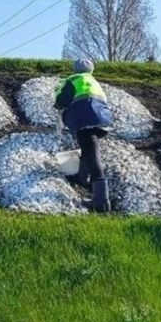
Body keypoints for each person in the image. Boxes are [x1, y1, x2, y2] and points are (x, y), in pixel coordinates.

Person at [54, 58, 114, 212]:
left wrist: (58, 105)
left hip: (83, 116)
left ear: (75, 69)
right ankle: (82, 178)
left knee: (92, 152)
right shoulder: (94, 82)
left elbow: (62, 100)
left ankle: (101, 199)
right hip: (102, 118)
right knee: (88, 147)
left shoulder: (74, 79)